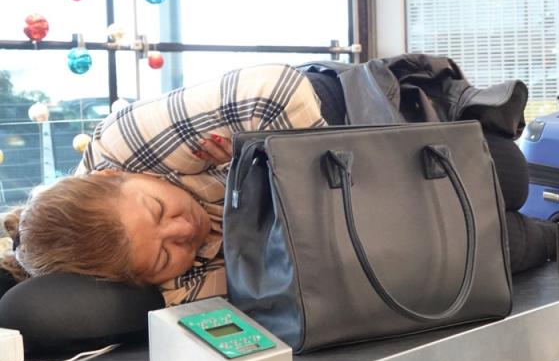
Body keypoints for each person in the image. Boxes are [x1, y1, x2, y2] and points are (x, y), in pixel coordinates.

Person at [1, 63, 326, 306]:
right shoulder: (174, 290)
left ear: (112, 175)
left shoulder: (123, 146)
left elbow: (273, 93)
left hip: (352, 104)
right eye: (164, 257)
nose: (184, 231)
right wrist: (256, 176)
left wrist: (268, 170)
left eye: (158, 210)